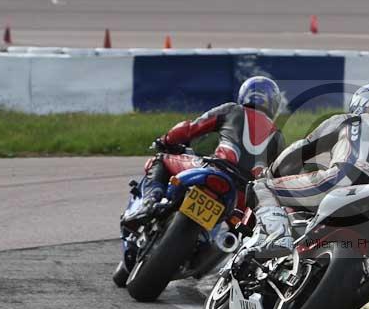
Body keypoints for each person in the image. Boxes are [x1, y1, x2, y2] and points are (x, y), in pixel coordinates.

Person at [115, 76, 285, 283]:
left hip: (215, 170)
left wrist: (166, 140)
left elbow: (191, 129)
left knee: (161, 160)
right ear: (273, 104)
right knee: (242, 233)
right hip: (243, 196)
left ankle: (150, 202)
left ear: (245, 94)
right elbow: (276, 176)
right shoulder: (278, 137)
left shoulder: (232, 110)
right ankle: (214, 253)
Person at [248, 83, 369, 253]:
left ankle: (278, 237)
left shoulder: (348, 119)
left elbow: (301, 150)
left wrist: (271, 172)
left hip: (342, 182)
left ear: (357, 105)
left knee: (261, 188)